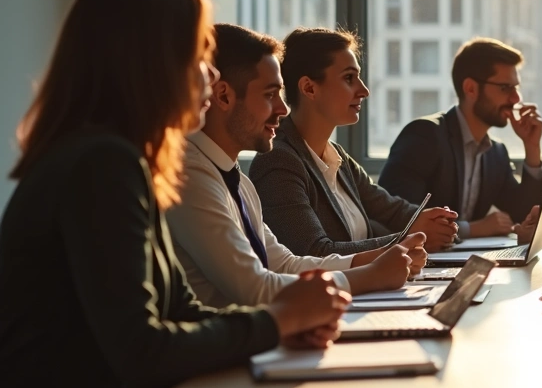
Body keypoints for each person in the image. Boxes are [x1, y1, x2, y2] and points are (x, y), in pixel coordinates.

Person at [0, 0, 348, 388]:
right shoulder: (101, 164)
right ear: (152, 63)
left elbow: (183, 309)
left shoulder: (121, 160)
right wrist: (277, 320)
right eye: (200, 53)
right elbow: (142, 350)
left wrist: (280, 326)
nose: (211, 73)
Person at [167, 24, 428, 308]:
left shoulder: (237, 180)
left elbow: (285, 264)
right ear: (223, 96)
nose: (282, 109)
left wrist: (382, 258)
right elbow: (255, 288)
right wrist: (369, 276)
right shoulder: (189, 177)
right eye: (269, 95)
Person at [250, 28, 459, 255]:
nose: (364, 90)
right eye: (349, 78)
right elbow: (313, 252)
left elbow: (393, 211)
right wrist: (407, 241)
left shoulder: (338, 158)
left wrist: (437, 222)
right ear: (309, 88)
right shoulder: (278, 161)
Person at [378, 38, 542, 239]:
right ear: (470, 88)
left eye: (516, 88)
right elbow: (397, 219)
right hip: (417, 257)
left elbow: (523, 214)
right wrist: (473, 228)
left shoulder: (495, 153)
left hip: (463, 257)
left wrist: (532, 146)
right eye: (505, 88)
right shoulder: (424, 136)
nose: (516, 99)